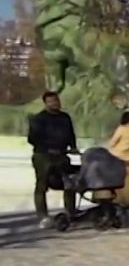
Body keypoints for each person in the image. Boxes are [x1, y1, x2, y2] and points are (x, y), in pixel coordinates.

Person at [28, 91, 77, 228]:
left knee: (70, 183)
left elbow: (71, 135)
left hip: (62, 155)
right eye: (51, 101)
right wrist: (49, 146)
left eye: (56, 100)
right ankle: (43, 216)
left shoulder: (65, 118)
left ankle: (70, 213)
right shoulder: (39, 119)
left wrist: (73, 147)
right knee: (41, 186)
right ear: (46, 103)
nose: (55, 103)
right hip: (43, 156)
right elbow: (32, 139)